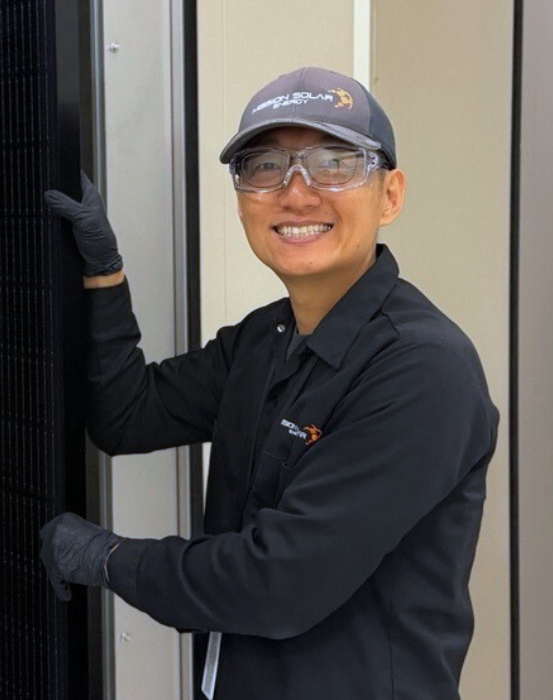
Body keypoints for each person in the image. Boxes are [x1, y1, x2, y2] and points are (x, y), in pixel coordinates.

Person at [39, 66, 500, 700]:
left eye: (335, 163)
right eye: (264, 166)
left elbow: (277, 583)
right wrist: (103, 273)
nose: (297, 192)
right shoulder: (266, 339)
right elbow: (128, 415)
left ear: (390, 195)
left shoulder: (423, 370)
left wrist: (111, 559)